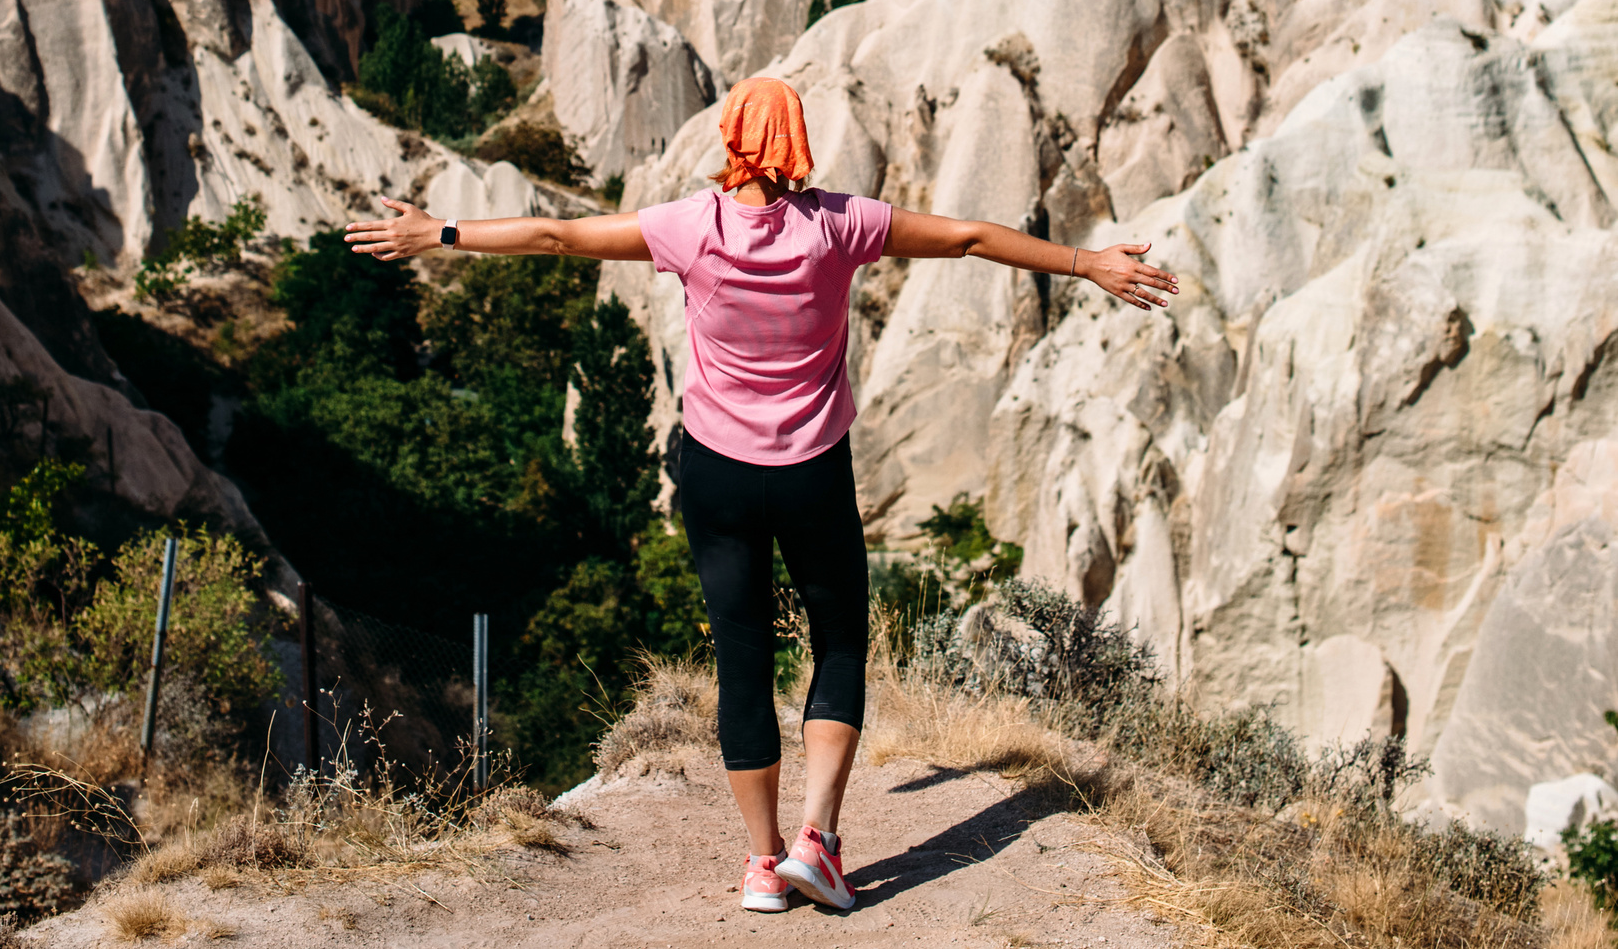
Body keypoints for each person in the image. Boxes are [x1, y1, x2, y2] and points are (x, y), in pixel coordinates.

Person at [344, 76, 1176, 914]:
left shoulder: (689, 227)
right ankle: (818, 841)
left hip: (718, 476)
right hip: (813, 469)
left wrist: (438, 231)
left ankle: (760, 863)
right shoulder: (839, 224)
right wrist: (1085, 262)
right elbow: (963, 237)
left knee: (741, 662)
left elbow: (559, 235)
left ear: (732, 140)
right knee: (838, 642)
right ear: (798, 142)